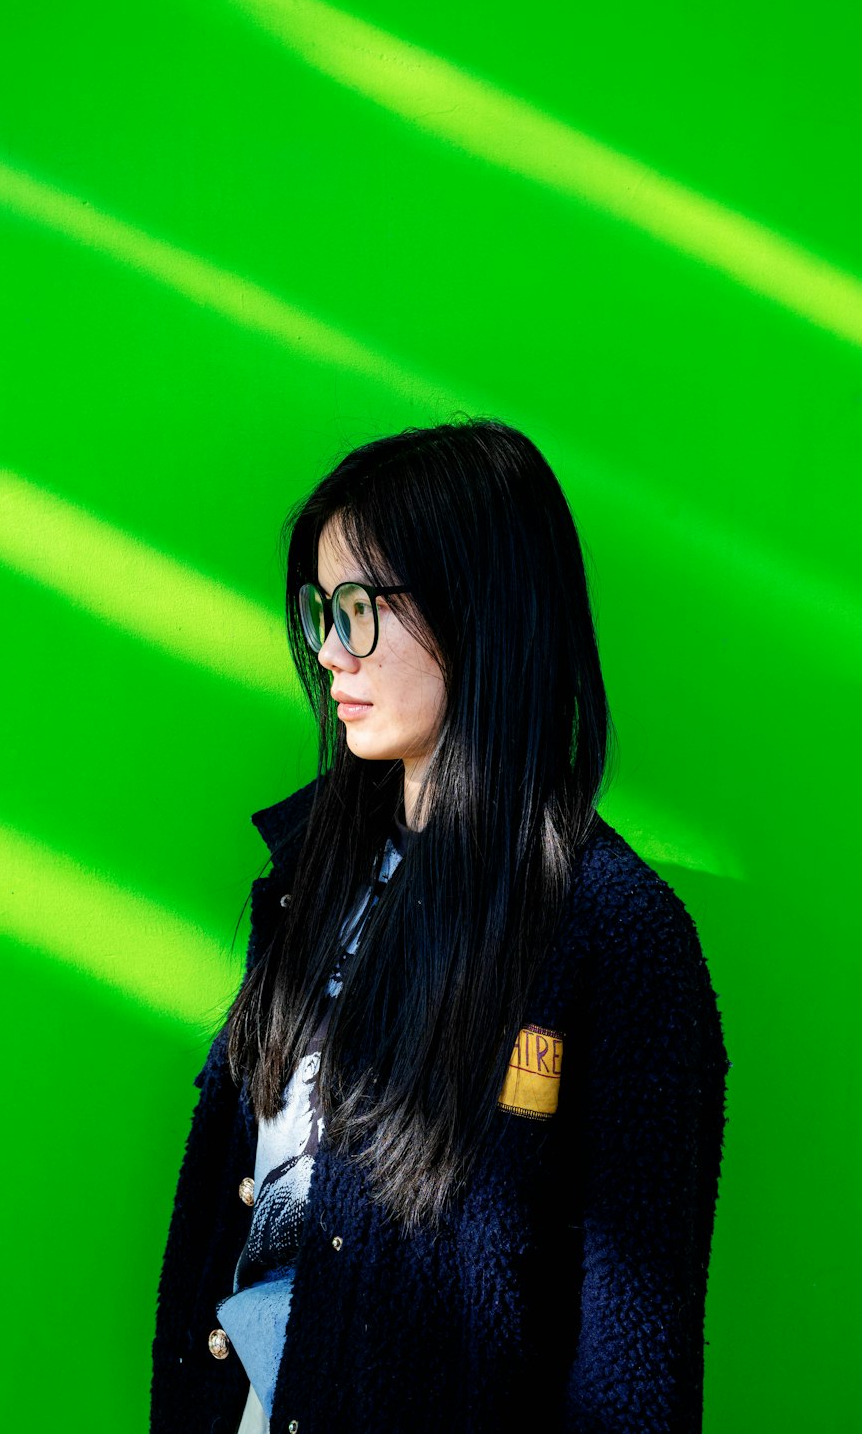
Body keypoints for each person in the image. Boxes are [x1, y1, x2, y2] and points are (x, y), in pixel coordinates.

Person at [150, 416, 730, 1433]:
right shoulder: (306, 879)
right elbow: (222, 1213)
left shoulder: (616, 941)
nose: (331, 652)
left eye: (364, 608)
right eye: (322, 610)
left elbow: (634, 1369)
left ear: (481, 611)